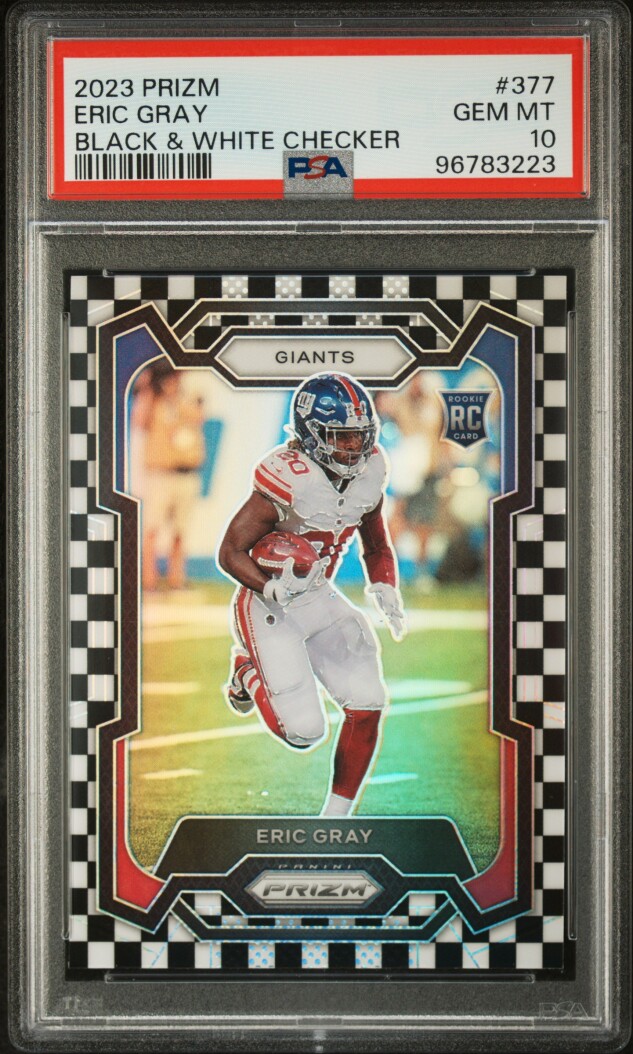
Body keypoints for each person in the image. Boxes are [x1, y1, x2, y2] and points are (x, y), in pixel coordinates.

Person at [217, 372, 406, 817]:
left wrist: (384, 583)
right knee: (303, 732)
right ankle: (246, 671)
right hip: (268, 604)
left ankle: (335, 820)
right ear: (311, 433)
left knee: (368, 700)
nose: (353, 447)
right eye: (340, 436)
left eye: (359, 435)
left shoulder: (370, 470)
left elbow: (375, 540)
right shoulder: (289, 477)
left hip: (318, 594)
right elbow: (230, 551)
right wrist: (270, 586)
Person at [131, 361, 205, 591]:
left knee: (181, 530)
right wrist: (147, 388)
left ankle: (176, 578)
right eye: (172, 375)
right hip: (161, 474)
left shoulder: (189, 397)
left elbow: (198, 418)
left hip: (187, 473)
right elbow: (138, 421)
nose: (176, 380)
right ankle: (149, 579)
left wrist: (179, 399)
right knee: (152, 528)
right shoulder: (153, 400)